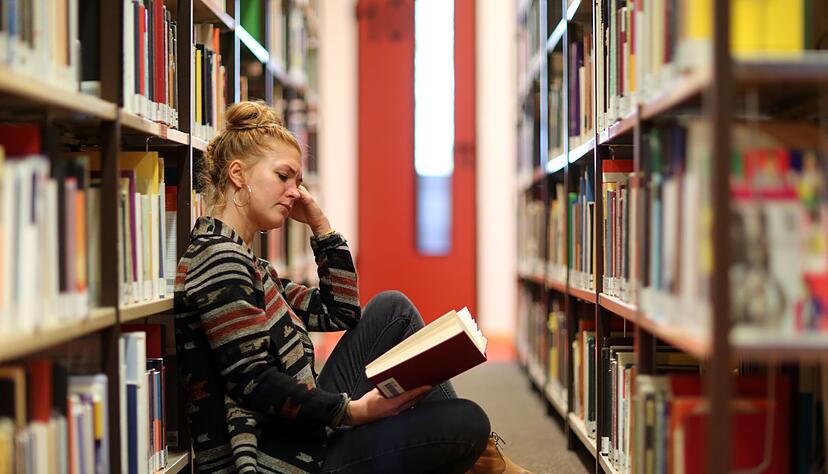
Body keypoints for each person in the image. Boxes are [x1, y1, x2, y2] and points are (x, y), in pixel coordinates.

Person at [174, 101, 531, 473]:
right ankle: (483, 462)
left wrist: (320, 224)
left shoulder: (249, 263)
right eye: (284, 176)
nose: (296, 191)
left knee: (393, 309)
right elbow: (254, 382)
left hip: (297, 432)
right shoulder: (221, 262)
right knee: (467, 422)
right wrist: (353, 412)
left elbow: (340, 312)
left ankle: (483, 461)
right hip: (278, 458)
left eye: (298, 181)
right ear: (237, 175)